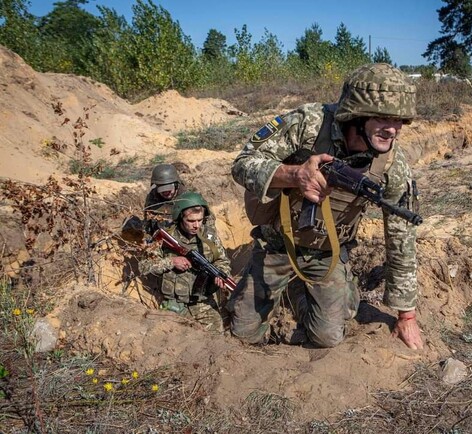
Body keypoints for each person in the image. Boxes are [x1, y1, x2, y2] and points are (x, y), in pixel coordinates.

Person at [228, 63, 422, 349]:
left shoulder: (393, 164)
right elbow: (242, 164)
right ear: (357, 115)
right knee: (243, 333)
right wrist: (294, 175)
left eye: (399, 120)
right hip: (278, 243)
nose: (392, 129)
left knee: (327, 337)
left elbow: (401, 236)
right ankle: (284, 284)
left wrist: (407, 315)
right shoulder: (308, 123)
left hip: (327, 252)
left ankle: (305, 290)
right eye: (382, 118)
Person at [139, 191, 231, 331]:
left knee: (215, 334)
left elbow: (222, 260)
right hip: (173, 303)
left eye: (200, 220)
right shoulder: (166, 236)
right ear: (180, 217)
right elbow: (144, 266)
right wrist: (171, 261)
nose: (196, 225)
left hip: (202, 303)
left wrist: (221, 273)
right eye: (191, 221)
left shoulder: (209, 237)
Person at [143, 163, 187, 235]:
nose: (166, 192)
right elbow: (147, 223)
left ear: (176, 184)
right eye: (162, 189)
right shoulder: (152, 198)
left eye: (168, 189)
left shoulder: (187, 197)